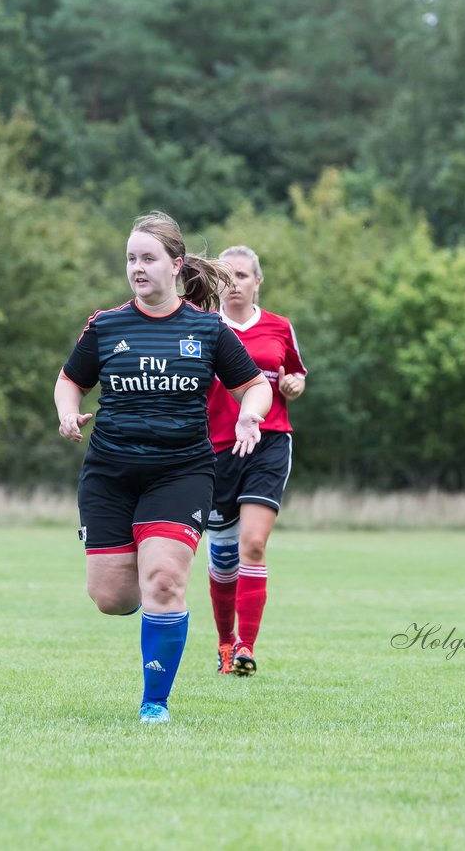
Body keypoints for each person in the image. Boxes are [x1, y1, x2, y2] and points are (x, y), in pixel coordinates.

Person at [55, 212, 272, 724]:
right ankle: (146, 596)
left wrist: (248, 416)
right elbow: (70, 381)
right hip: (109, 473)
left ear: (175, 266)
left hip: (181, 472)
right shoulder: (106, 326)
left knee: (165, 581)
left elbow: (255, 386)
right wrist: (67, 411)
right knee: (111, 597)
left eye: (148, 259)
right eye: (131, 259)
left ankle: (155, 703)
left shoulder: (207, 328)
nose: (137, 268)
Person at [204, 246, 307, 677]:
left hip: (268, 442)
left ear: (257, 281)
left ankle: (246, 646)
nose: (234, 285)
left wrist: (292, 383)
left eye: (242, 276)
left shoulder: (279, 327)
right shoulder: (203, 327)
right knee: (223, 557)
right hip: (214, 449)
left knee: (254, 544)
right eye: (225, 277)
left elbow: (296, 374)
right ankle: (225, 642)